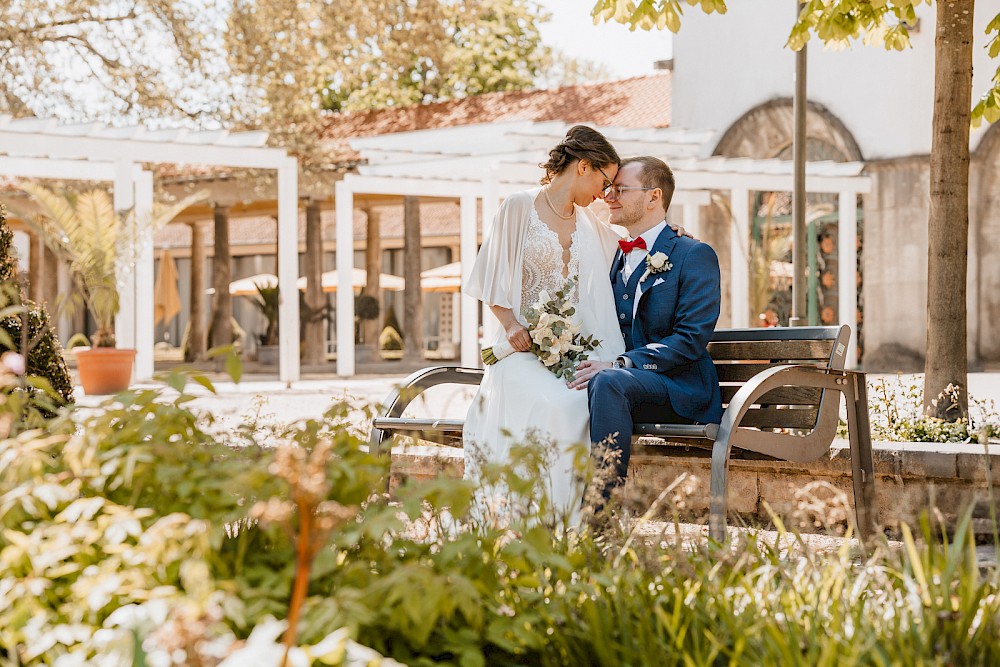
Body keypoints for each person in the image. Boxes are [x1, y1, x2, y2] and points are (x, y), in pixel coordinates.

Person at [463, 125, 626, 523]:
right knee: (561, 405)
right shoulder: (518, 206)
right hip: (518, 352)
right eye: (605, 182)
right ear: (583, 166)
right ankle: (536, 519)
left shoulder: (590, 223)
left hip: (569, 353)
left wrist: (670, 233)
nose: (605, 196)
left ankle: (572, 522)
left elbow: (629, 240)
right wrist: (511, 324)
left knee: (583, 401)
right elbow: (489, 277)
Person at [570, 156, 723, 508]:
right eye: (608, 189)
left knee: (607, 381)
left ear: (654, 197)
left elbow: (690, 338)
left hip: (679, 388)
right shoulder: (614, 252)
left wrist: (622, 363)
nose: (609, 196)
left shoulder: (693, 254)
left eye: (620, 190)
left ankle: (598, 514)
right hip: (623, 389)